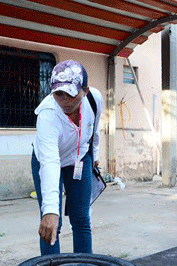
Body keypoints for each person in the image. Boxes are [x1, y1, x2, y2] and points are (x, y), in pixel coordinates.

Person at [32, 60, 103, 255]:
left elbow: (94, 132)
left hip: (80, 159)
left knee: (81, 217)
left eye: (71, 94)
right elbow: (50, 162)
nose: (64, 101)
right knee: (52, 221)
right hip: (48, 159)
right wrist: (50, 210)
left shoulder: (94, 99)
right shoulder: (47, 114)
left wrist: (94, 156)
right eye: (58, 94)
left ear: (85, 91)